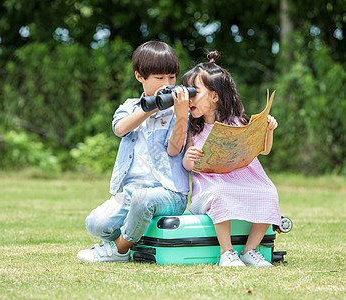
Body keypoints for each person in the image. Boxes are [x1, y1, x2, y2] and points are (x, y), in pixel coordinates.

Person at [77, 41, 191, 263]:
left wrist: (181, 115)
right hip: (132, 191)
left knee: (142, 200)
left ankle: (119, 250)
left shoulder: (179, 111)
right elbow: (120, 129)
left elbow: (174, 148)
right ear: (140, 76)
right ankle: (136, 238)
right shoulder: (130, 107)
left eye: (172, 77)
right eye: (160, 78)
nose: (167, 84)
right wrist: (152, 107)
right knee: (95, 223)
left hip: (169, 193)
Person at [181, 50, 281, 267]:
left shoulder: (237, 121)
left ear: (215, 96)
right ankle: (227, 252)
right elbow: (188, 165)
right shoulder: (193, 128)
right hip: (210, 184)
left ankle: (250, 250)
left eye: (194, 92)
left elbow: (262, 150)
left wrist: (268, 130)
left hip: (242, 177)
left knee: (269, 192)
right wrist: (190, 157)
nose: (189, 98)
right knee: (221, 193)